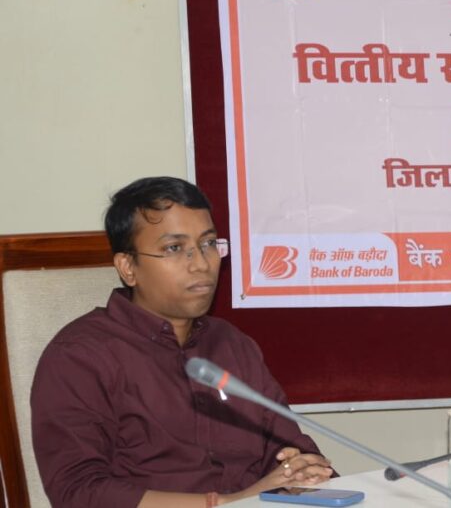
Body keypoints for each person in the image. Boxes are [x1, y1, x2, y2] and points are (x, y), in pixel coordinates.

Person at [31, 177, 333, 507]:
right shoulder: (80, 356)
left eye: (208, 244)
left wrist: (300, 470)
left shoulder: (232, 344)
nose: (201, 264)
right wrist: (225, 503)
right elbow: (79, 492)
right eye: (174, 248)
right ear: (128, 267)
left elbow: (286, 446)